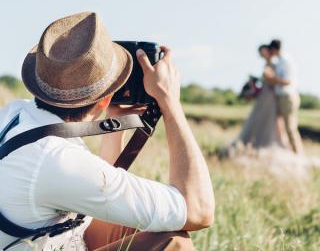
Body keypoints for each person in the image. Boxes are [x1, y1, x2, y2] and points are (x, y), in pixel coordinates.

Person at [0, 12, 214, 250]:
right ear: (104, 99)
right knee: (174, 242)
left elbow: (96, 185)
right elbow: (199, 210)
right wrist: (170, 103)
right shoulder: (55, 159)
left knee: (131, 223)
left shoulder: (16, 114)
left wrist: (114, 124)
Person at [232, 45, 283, 150]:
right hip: (264, 94)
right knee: (257, 117)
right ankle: (252, 142)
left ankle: (263, 143)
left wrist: (267, 77)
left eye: (263, 51)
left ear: (269, 51)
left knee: (267, 118)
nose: (262, 54)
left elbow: (273, 79)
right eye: (261, 52)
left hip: (269, 95)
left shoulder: (274, 63)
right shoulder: (267, 63)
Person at [265, 39, 304, 154]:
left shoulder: (286, 61)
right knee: (281, 126)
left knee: (290, 127)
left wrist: (272, 79)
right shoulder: (280, 61)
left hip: (288, 97)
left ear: (274, 49)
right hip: (282, 97)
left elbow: (288, 81)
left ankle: (298, 153)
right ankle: (289, 150)